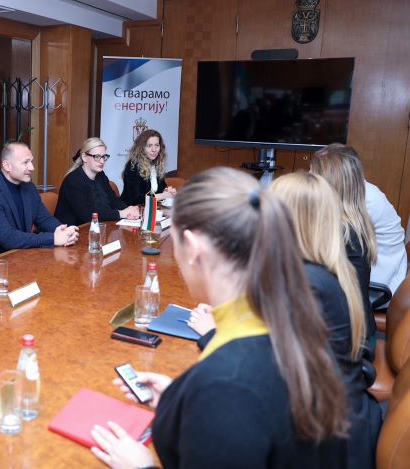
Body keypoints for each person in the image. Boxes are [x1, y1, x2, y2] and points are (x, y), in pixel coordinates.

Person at [91, 167, 347, 468]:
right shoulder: (286, 320)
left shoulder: (225, 386)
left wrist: (141, 466)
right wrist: (181, 399)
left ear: (193, 248)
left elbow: (234, 399)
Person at [270, 172, 381, 469]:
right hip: (340, 418)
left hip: (324, 440)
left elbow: (268, 366)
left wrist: (213, 334)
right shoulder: (328, 269)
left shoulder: (307, 283)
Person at [310, 145, 378, 347]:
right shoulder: (353, 224)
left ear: (329, 186)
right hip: (350, 330)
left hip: (351, 342)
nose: (307, 182)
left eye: (312, 177)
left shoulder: (341, 233)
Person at [316, 144, 406, 294]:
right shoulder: (354, 192)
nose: (310, 177)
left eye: (315, 173)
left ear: (333, 174)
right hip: (364, 278)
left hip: (374, 288)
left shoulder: (366, 200)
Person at [0, 141, 79, 260]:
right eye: (25, 162)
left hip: (19, 256)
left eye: (31, 162)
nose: (32, 167)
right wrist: (54, 238)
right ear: (7, 166)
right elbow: (9, 239)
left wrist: (62, 231)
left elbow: (44, 218)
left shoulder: (29, 187)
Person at [53, 137, 141, 226]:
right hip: (73, 230)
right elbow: (87, 215)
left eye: (104, 157)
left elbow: (113, 200)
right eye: (97, 157)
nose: (102, 161)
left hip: (97, 226)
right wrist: (121, 213)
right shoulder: (73, 180)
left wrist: (129, 210)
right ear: (84, 157)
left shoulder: (100, 175)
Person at [119, 129, 177, 206]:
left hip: (150, 208)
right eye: (149, 146)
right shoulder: (132, 166)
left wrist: (166, 191)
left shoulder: (157, 164)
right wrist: (163, 196)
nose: (154, 150)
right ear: (141, 148)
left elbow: (160, 188)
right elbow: (135, 198)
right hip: (131, 209)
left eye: (157, 145)